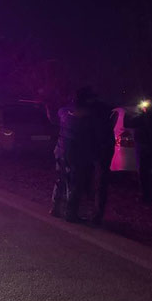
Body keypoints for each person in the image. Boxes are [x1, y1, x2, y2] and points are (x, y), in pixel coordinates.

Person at [51, 87, 96, 222]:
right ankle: (70, 213)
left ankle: (56, 208)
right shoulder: (86, 116)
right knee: (74, 182)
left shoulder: (64, 111)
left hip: (60, 150)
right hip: (74, 153)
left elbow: (58, 114)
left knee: (61, 179)